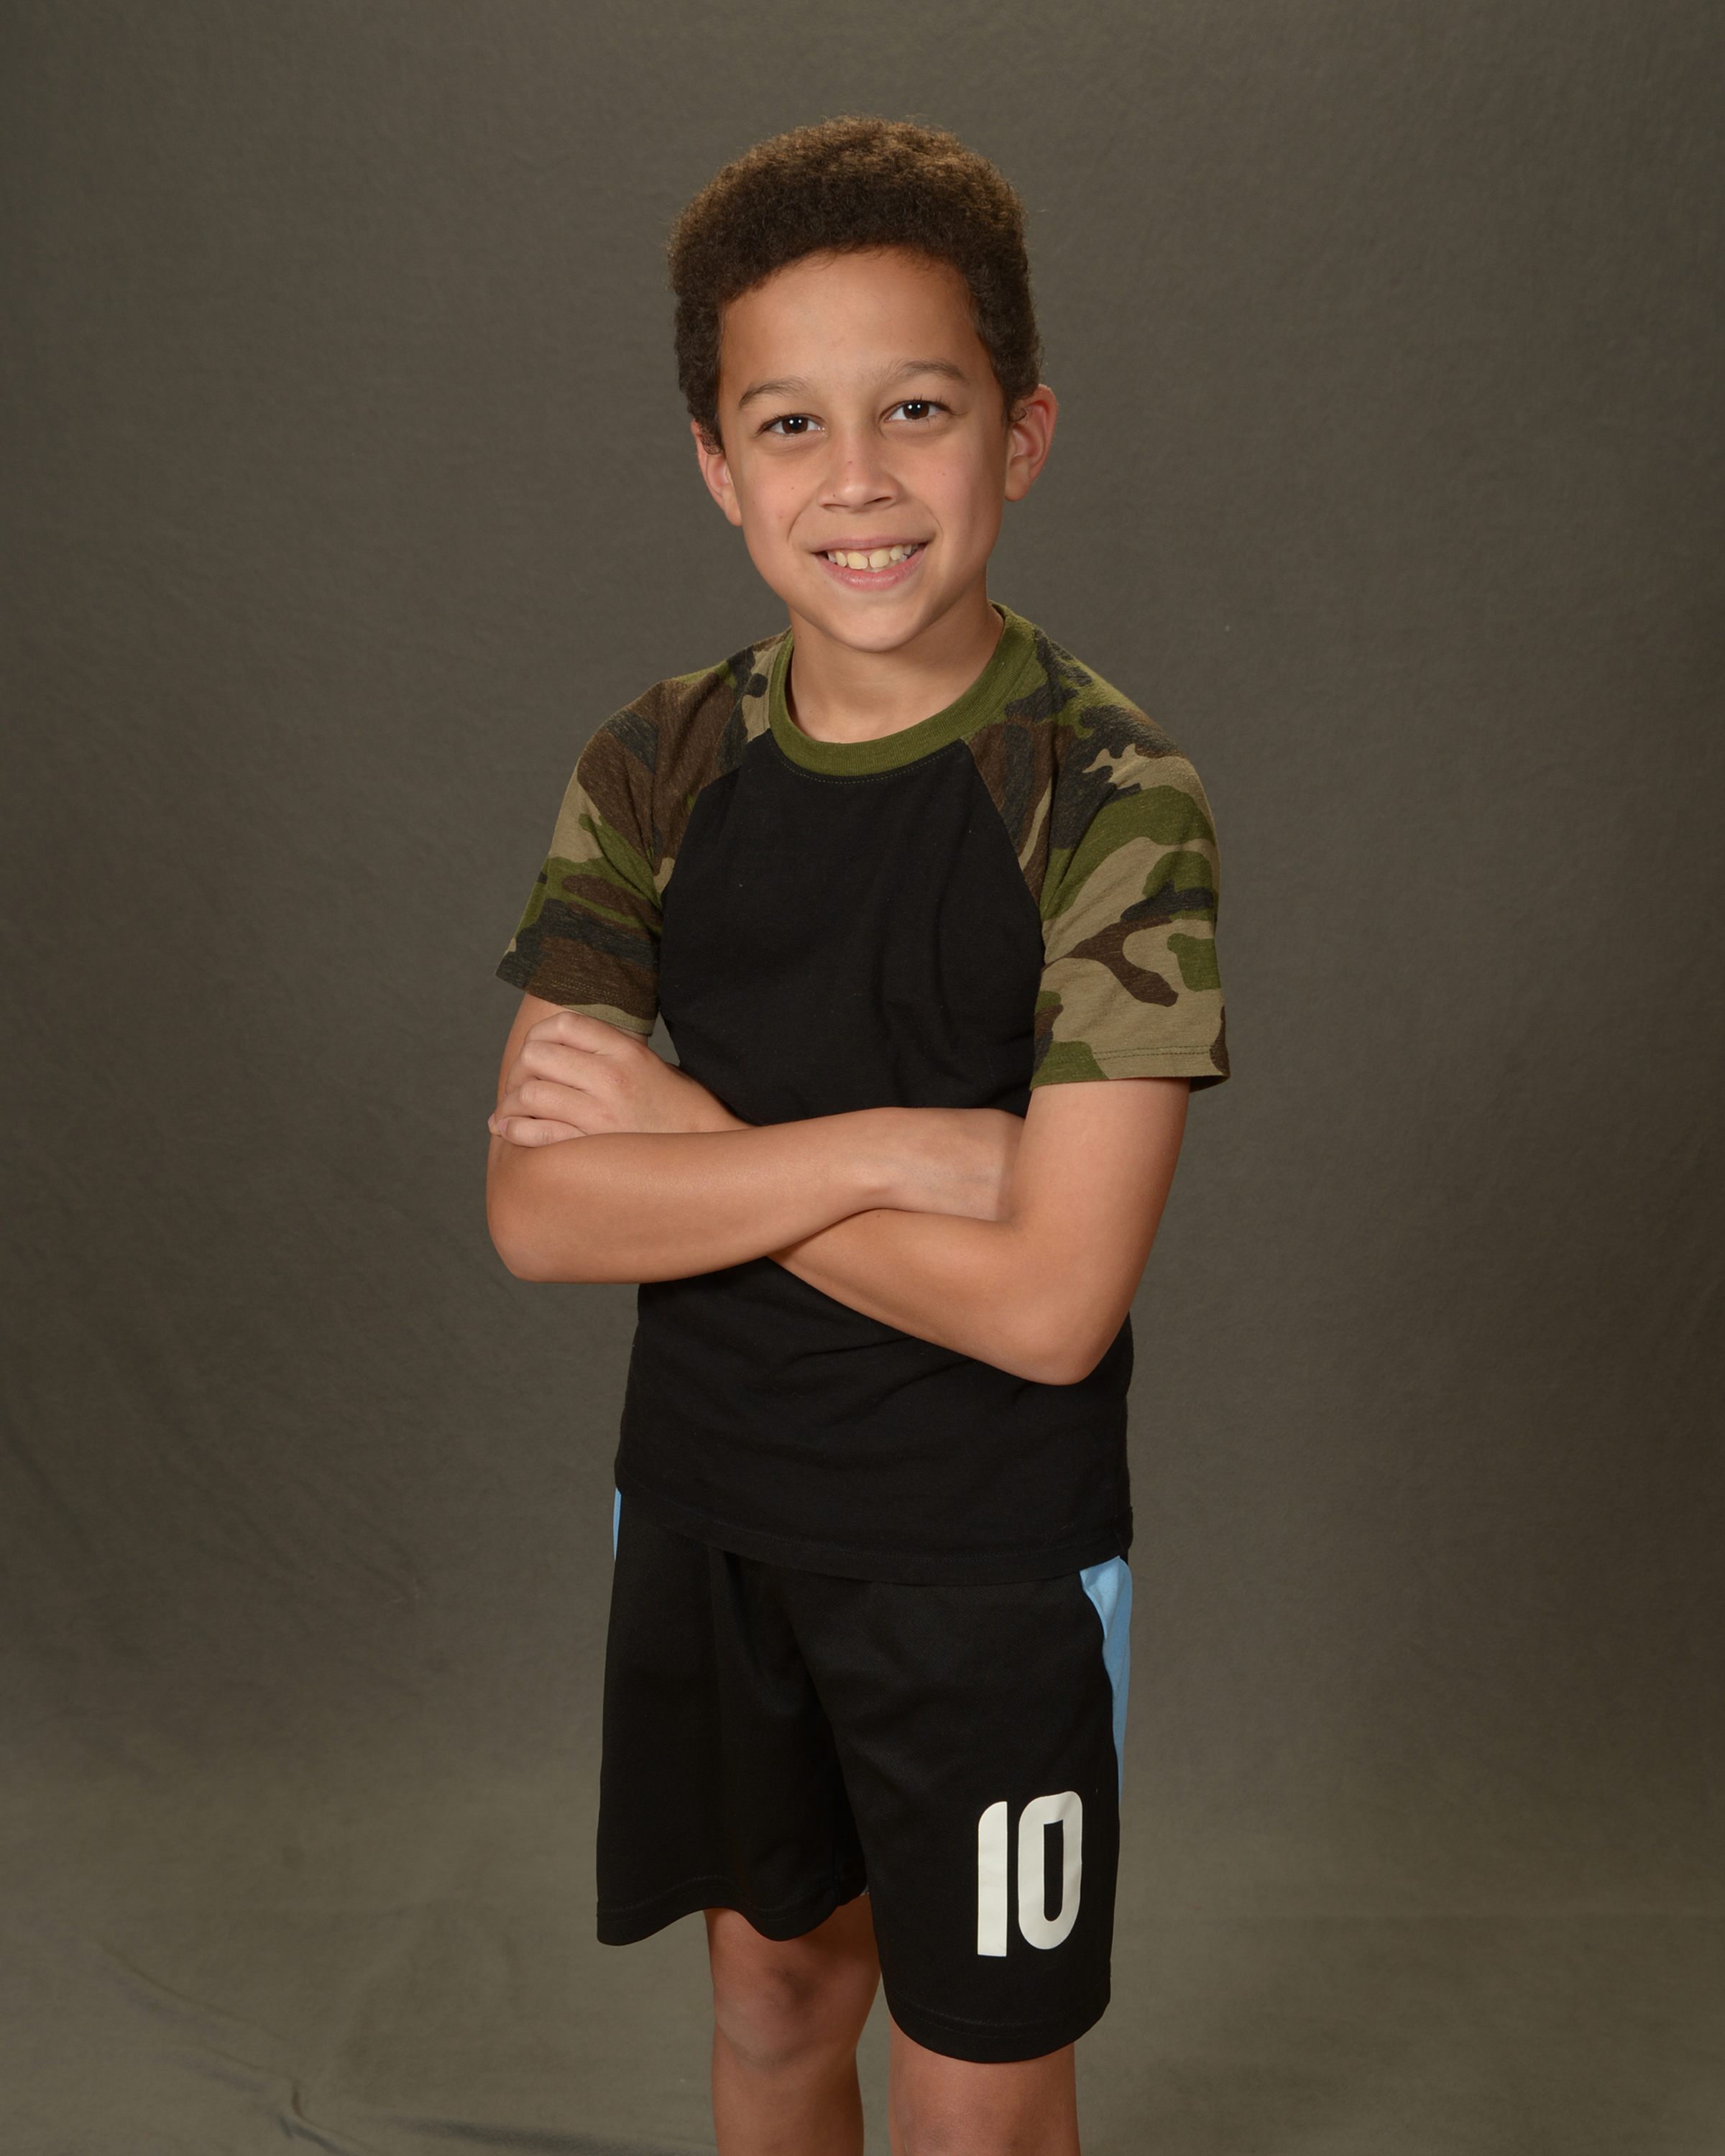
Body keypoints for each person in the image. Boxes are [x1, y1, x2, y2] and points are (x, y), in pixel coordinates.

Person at [485, 116, 1227, 2156]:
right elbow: (540, 1211)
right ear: (718, 468)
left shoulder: (1110, 799)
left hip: (986, 1557)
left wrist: (687, 1142)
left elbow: (1052, 1309)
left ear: (1022, 432)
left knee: (980, 2093)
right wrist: (901, 1147)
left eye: (918, 408)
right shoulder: (657, 763)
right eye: (790, 425)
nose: (860, 481)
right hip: (711, 1511)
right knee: (772, 2004)